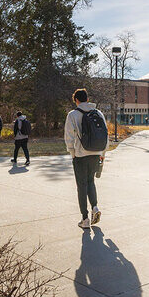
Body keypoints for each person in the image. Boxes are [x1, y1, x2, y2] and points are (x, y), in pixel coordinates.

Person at [64, 88, 108, 229]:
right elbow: (105, 134)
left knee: (81, 186)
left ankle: (85, 218)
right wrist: (103, 152)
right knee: (91, 182)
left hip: (81, 155)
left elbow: (69, 137)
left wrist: (72, 152)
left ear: (76, 100)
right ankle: (95, 207)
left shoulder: (73, 115)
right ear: (87, 99)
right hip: (96, 153)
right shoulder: (98, 113)